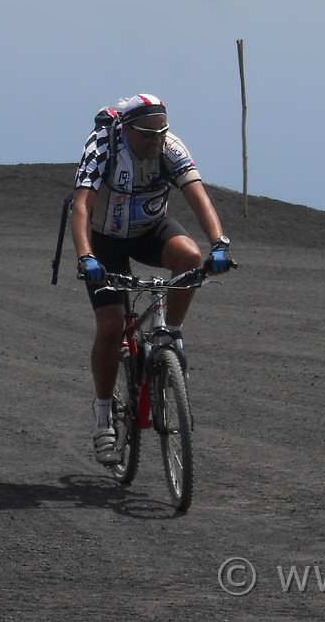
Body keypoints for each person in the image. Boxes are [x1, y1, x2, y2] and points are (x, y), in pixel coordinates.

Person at [71, 93, 234, 465]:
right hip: (105, 240)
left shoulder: (169, 147)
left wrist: (219, 244)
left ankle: (170, 334)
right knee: (112, 325)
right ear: (126, 130)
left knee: (191, 258)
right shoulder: (101, 148)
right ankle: (102, 418)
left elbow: (198, 196)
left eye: (160, 133)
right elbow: (81, 205)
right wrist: (86, 256)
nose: (155, 141)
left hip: (149, 230)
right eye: (146, 134)